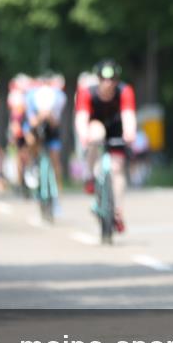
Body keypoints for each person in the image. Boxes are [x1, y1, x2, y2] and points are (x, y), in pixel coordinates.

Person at [74, 59, 137, 233]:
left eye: (112, 79)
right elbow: (81, 118)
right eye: (103, 79)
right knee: (95, 135)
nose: (108, 83)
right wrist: (84, 135)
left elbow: (128, 116)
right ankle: (89, 175)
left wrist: (130, 133)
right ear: (98, 79)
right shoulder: (87, 92)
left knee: (117, 168)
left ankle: (117, 211)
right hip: (96, 125)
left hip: (116, 128)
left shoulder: (124, 91)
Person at [24, 74, 67, 202]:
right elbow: (32, 122)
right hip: (36, 130)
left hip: (51, 130)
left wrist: (48, 116)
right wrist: (41, 116)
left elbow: (56, 123)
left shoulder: (58, 97)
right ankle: (33, 163)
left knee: (55, 158)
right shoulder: (31, 97)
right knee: (31, 141)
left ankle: (58, 188)